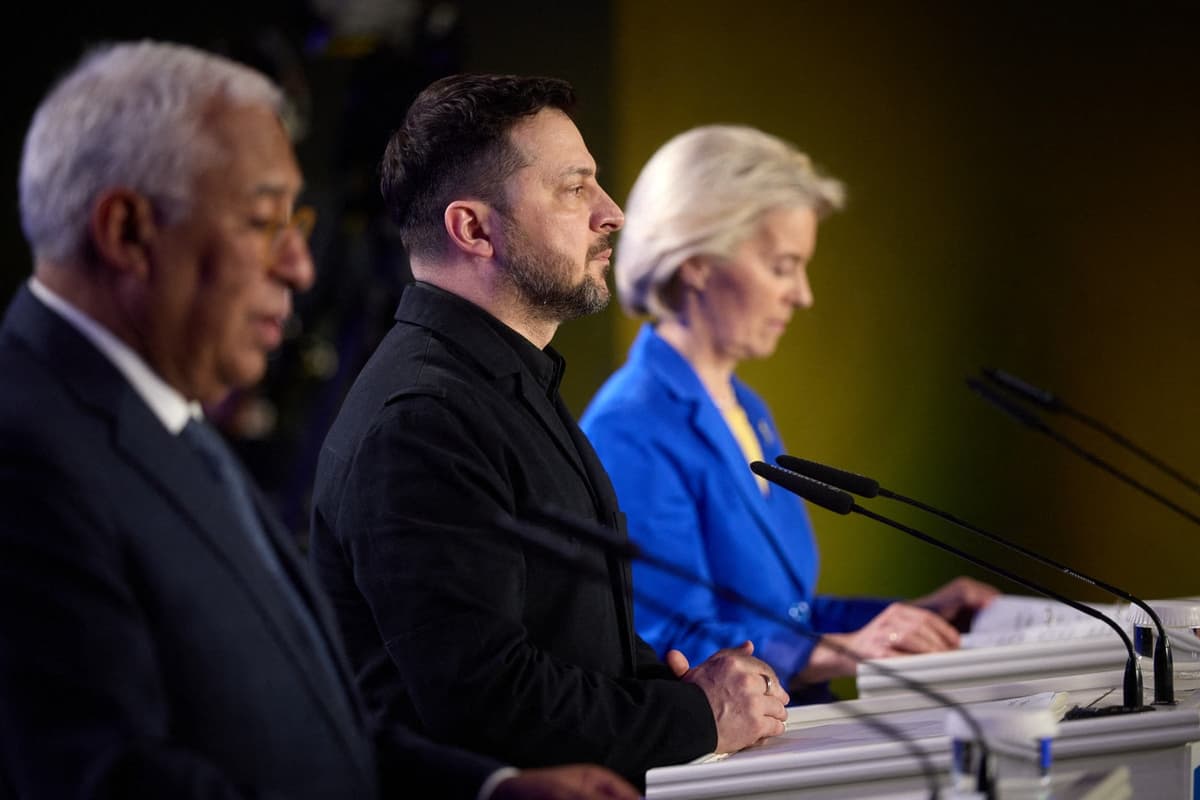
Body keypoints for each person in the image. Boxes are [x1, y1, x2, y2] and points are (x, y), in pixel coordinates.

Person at [0, 40, 638, 800]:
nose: (300, 267)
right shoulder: (24, 455)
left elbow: (308, 716)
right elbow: (112, 779)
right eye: (264, 221)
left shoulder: (167, 422)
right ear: (129, 231)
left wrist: (490, 788)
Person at [310, 75, 790, 788]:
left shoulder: (504, 379)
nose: (612, 214)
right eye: (575, 189)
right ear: (473, 228)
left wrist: (683, 690)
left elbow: (567, 637)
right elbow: (484, 702)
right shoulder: (422, 421)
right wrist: (695, 717)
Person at [580, 125, 997, 700]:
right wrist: (848, 651)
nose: (802, 295)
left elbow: (784, 615)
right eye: (782, 266)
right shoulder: (629, 428)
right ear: (698, 260)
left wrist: (910, 619)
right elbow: (675, 640)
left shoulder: (748, 407)